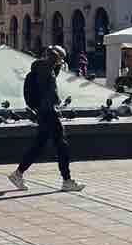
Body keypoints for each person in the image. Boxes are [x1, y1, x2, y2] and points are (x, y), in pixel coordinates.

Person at [9, 46, 85, 193]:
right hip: (49, 112)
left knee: (40, 144)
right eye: (60, 59)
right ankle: (67, 181)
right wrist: (53, 110)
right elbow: (48, 92)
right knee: (61, 145)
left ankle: (18, 174)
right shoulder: (46, 70)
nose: (60, 62)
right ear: (57, 58)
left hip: (43, 112)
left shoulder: (41, 68)